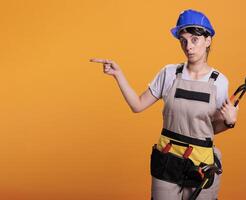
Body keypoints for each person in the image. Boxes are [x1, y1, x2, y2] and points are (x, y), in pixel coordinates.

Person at [90, 9, 238, 200]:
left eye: (194, 39)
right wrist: (118, 75)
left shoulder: (219, 82)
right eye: (183, 40)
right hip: (168, 158)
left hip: (200, 163)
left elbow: (209, 128)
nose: (188, 46)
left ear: (208, 40)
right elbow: (137, 105)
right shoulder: (169, 74)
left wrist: (229, 121)